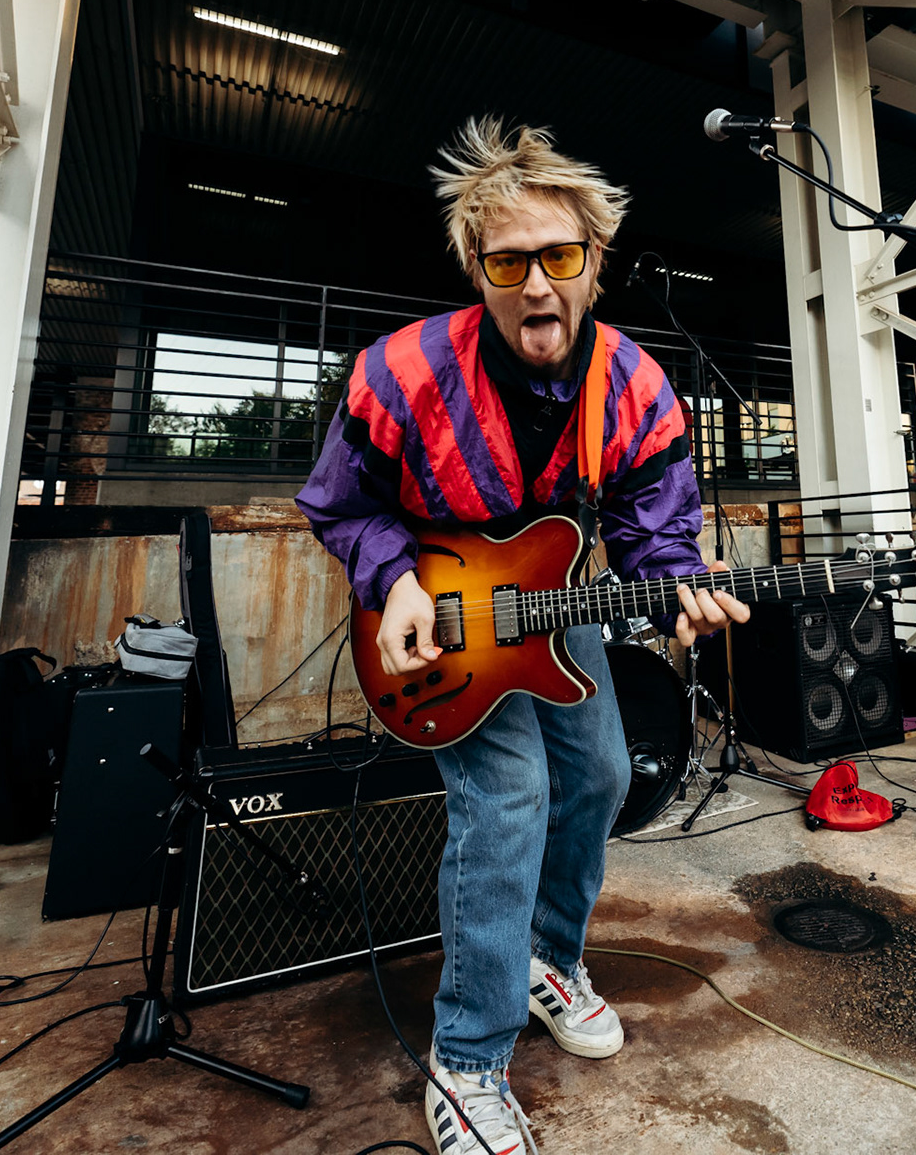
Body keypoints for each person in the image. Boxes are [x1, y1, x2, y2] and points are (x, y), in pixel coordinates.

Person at [297, 118, 749, 1155]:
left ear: (597, 262)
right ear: (477, 271)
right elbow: (340, 502)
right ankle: (467, 1057)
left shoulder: (636, 385)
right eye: (509, 262)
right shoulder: (400, 372)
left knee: (600, 773)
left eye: (560, 257)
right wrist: (393, 582)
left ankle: (548, 956)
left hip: (554, 605)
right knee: (509, 797)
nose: (538, 284)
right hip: (435, 616)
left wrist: (678, 587)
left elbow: (652, 530)